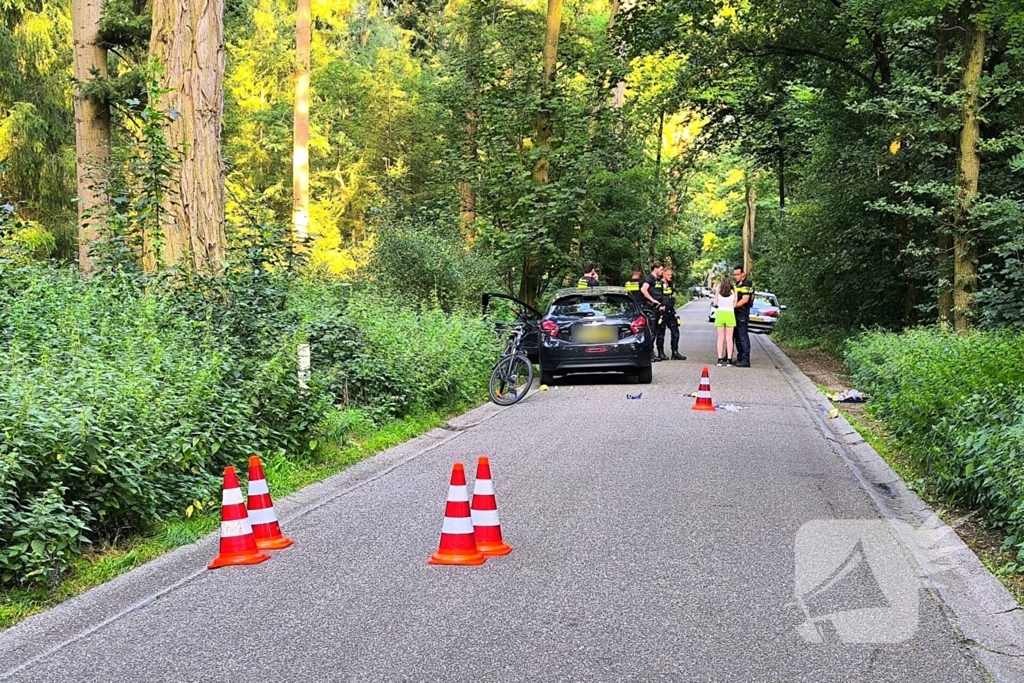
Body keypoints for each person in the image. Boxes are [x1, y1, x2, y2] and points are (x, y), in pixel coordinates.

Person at [656, 268, 686, 361]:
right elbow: (656, 296)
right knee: (660, 333)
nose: (670, 276)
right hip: (662, 312)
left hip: (671, 311)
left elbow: (672, 295)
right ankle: (660, 353)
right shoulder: (659, 284)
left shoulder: (671, 284)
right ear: (664, 274)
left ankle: (675, 352)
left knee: (675, 332)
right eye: (669, 275)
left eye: (671, 275)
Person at [640, 262, 666, 361]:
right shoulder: (649, 279)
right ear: (655, 268)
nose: (662, 271)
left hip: (658, 308)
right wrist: (653, 300)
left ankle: (657, 353)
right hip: (650, 308)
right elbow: (643, 290)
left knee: (658, 331)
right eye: (661, 269)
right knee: (652, 331)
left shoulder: (657, 280)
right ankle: (650, 354)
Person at [732, 265, 754, 367]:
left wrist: (733, 306)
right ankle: (740, 357)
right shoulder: (738, 283)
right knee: (737, 336)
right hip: (736, 313)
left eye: (737, 274)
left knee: (743, 336)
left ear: (743, 274)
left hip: (742, 313)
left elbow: (745, 299)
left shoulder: (747, 284)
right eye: (734, 274)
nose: (736, 276)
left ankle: (746, 359)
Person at [714, 276, 736, 366]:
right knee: (729, 339)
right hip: (730, 314)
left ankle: (719, 359)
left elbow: (715, 302)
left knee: (720, 338)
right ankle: (729, 360)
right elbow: (735, 304)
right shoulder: (733, 291)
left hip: (720, 313)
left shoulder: (719, 290)